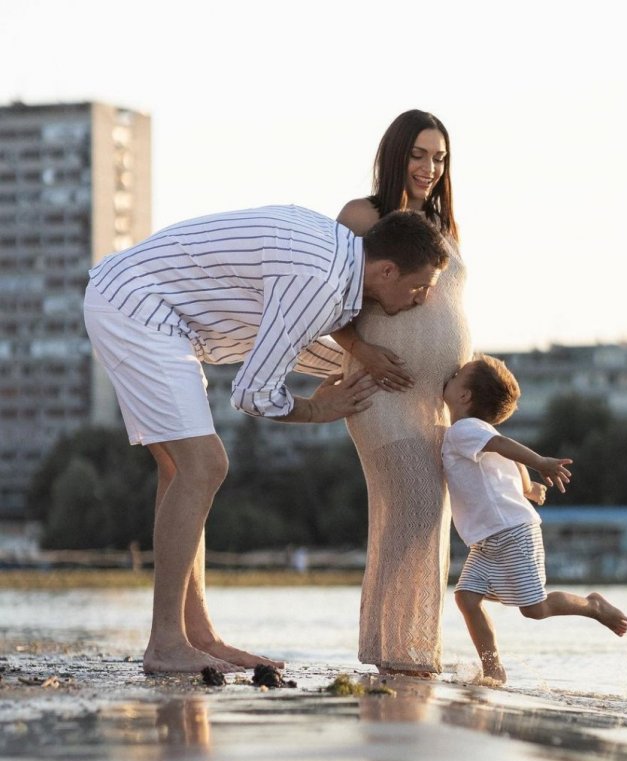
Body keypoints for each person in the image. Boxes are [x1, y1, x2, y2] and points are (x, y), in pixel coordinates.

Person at [83, 203, 451, 674]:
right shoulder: (320, 281)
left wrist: (361, 362)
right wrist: (318, 409)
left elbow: (291, 336)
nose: (422, 299)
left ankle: (198, 636)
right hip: (136, 306)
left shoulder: (332, 262)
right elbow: (253, 393)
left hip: (146, 306)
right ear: (386, 271)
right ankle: (166, 643)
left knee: (180, 469)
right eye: (419, 287)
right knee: (204, 465)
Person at [293, 109, 572, 676]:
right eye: (419, 155)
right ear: (396, 154)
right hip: (383, 390)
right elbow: (323, 296)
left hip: (441, 402)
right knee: (414, 513)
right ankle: (403, 654)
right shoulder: (363, 215)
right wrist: (363, 350)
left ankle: (398, 652)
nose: (429, 168)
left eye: (440, 158)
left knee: (427, 519)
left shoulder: (445, 225)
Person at [442, 354, 627, 684]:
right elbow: (507, 456)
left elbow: (503, 445)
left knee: (535, 608)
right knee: (466, 598)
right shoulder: (477, 432)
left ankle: (593, 606)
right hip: (487, 539)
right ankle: (493, 669)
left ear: (464, 395)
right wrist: (528, 488)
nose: (450, 374)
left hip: (511, 532)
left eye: (457, 375)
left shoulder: (463, 430)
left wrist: (541, 462)